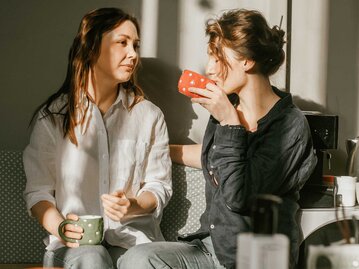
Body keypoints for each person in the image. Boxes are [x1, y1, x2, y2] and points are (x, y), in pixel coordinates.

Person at [118, 8, 317, 269]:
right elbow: (211, 155)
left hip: (256, 257)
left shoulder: (289, 127)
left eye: (216, 58)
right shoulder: (227, 108)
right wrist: (154, 149)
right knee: (138, 259)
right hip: (210, 247)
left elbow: (239, 197)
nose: (209, 69)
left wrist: (229, 122)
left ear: (246, 61)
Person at [23, 7, 172, 269]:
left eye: (136, 45)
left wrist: (134, 205)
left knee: (142, 262)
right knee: (92, 258)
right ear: (92, 48)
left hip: (133, 242)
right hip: (74, 250)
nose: (133, 55)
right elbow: (38, 192)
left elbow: (159, 186)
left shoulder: (149, 116)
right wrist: (61, 227)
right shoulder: (53, 118)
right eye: (122, 43)